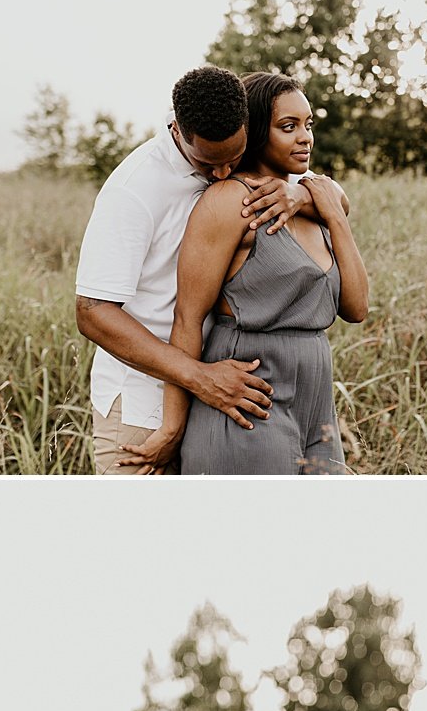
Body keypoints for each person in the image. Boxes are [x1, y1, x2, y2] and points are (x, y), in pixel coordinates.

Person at [74, 65, 351, 476]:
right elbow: (91, 312)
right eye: (209, 164)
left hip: (220, 394)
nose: (222, 175)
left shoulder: (241, 159)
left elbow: (336, 198)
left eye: (233, 159)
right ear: (179, 131)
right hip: (142, 409)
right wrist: (199, 378)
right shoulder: (133, 190)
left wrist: (295, 195)